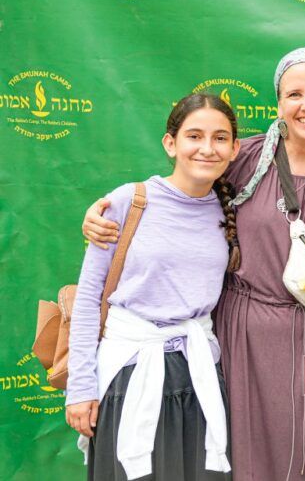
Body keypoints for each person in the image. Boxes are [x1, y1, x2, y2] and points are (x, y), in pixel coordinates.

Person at [81, 48, 305, 481]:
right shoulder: (244, 158)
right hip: (245, 335)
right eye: (294, 94)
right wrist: (106, 214)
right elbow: (183, 197)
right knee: (245, 460)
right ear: (278, 104)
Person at [66, 93, 240, 480]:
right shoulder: (130, 201)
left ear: (235, 149)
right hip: (130, 372)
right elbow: (89, 298)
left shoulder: (230, 211)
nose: (207, 148)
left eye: (220, 138)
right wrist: (80, 388)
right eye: (194, 135)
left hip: (198, 375)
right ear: (170, 143)